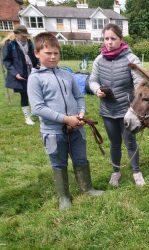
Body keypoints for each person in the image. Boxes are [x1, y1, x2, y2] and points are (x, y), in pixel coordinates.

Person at [28, 32, 104, 210]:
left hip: (76, 127)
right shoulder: (35, 79)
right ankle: (64, 197)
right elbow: (38, 108)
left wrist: (81, 113)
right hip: (53, 132)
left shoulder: (67, 75)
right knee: (58, 162)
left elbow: (79, 96)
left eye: (56, 53)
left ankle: (87, 188)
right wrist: (65, 119)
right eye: (48, 53)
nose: (53, 57)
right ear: (37, 53)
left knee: (81, 158)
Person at [89, 23, 145, 187]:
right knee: (114, 143)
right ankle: (116, 172)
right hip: (107, 110)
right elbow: (92, 80)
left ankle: (136, 172)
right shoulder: (99, 59)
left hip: (126, 111)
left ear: (121, 39)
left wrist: (134, 105)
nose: (109, 42)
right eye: (106, 38)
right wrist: (96, 89)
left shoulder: (131, 59)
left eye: (113, 38)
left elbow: (139, 83)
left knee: (130, 142)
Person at [2, 25, 39, 125]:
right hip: (20, 74)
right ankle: (27, 117)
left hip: (32, 71)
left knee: (35, 93)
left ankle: (36, 112)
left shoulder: (30, 43)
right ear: (16, 35)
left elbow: (34, 56)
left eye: (26, 36)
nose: (25, 38)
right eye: (23, 36)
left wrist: (39, 64)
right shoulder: (9, 44)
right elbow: (6, 61)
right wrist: (15, 74)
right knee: (25, 95)